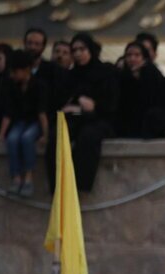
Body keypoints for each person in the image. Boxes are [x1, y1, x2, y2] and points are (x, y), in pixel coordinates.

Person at [46, 33, 117, 192]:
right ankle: (58, 185)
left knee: (88, 137)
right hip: (76, 118)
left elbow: (111, 103)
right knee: (58, 136)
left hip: (100, 119)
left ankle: (80, 186)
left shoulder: (106, 72)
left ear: (90, 50)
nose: (78, 53)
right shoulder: (71, 75)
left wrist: (94, 106)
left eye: (82, 49)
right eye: (75, 50)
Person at [0, 50, 48, 198]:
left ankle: (29, 178)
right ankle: (16, 177)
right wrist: (1, 135)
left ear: (25, 70)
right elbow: (8, 113)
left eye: (15, 72)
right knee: (12, 139)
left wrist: (45, 134)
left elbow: (41, 113)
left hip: (34, 122)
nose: (12, 75)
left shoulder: (39, 86)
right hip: (20, 122)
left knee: (26, 138)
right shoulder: (12, 86)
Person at [115, 41, 165, 139]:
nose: (132, 58)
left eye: (137, 55)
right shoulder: (121, 74)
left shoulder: (153, 73)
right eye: (129, 55)